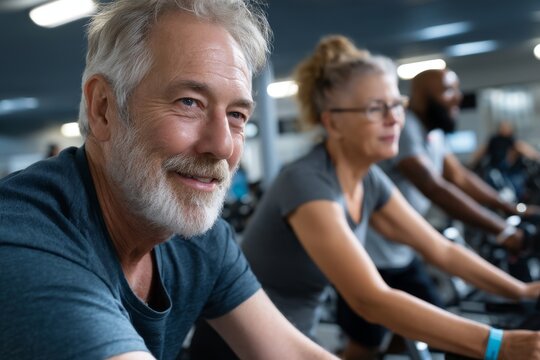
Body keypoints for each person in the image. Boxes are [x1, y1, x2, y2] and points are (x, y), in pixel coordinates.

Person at [0, 1, 339, 359]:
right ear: (103, 108)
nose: (222, 145)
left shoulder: (194, 239)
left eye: (237, 114)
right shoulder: (25, 241)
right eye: (189, 102)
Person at [190, 35, 540, 360]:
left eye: (396, 105)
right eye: (375, 109)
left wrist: (522, 291)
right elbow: (370, 299)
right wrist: (500, 345)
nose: (394, 120)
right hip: (237, 348)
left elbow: (441, 249)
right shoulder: (306, 182)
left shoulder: (368, 180)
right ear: (333, 123)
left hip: (294, 340)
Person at [338, 69, 540, 358]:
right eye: (447, 91)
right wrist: (503, 231)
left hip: (402, 253)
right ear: (420, 97)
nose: (457, 96)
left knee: (435, 329)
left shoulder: (432, 135)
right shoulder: (405, 130)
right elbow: (434, 186)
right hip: (368, 258)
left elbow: (458, 176)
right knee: (367, 345)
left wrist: (513, 210)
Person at [470, 120, 540, 200]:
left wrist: (535, 155)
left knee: (517, 186)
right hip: (496, 169)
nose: (505, 128)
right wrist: (472, 163)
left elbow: (524, 149)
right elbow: (481, 152)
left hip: (513, 171)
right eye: (503, 126)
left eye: (507, 126)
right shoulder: (493, 140)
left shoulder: (513, 140)